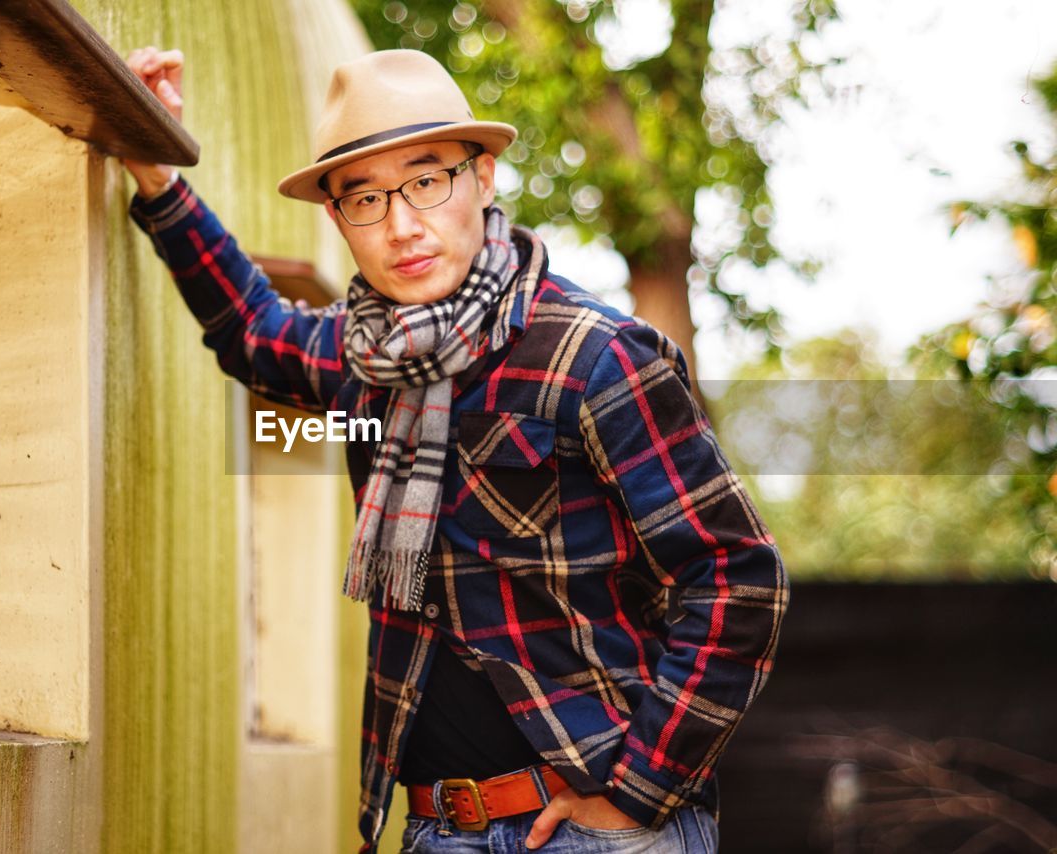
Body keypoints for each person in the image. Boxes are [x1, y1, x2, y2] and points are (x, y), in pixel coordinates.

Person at [123, 46, 787, 853]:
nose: (402, 224)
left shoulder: (595, 358)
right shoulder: (365, 363)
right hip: (437, 828)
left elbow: (737, 579)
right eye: (364, 197)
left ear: (483, 177)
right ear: (335, 218)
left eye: (428, 180)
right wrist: (158, 177)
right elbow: (253, 331)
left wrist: (639, 793)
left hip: (598, 831)